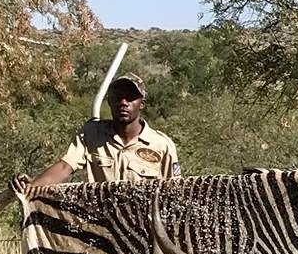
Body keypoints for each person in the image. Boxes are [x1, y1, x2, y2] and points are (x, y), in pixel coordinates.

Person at [13, 75, 179, 192]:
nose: (123, 103)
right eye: (117, 97)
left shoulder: (162, 145)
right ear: (109, 101)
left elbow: (175, 193)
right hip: (100, 228)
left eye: (130, 98)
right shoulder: (91, 134)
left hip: (142, 233)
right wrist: (31, 186)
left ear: (141, 104)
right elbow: (65, 166)